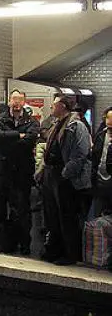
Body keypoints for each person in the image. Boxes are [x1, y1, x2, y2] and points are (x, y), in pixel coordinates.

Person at [40, 96, 92, 266]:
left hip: (64, 177)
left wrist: (65, 173)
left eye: (54, 106)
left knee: (66, 216)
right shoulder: (57, 124)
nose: (51, 109)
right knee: (52, 215)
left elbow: (80, 153)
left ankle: (70, 253)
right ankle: (54, 250)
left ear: (62, 106)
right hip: (51, 174)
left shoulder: (76, 126)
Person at [0, 90, 40, 255]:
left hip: (22, 172)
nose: (16, 102)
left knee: (22, 209)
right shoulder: (0, 119)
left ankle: (24, 243)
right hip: (1, 171)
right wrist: (18, 134)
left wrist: (7, 141)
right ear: (9, 101)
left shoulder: (32, 121)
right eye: (13, 99)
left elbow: (29, 140)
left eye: (19, 99)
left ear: (24, 102)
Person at [90, 107, 112, 218]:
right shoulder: (100, 135)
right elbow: (94, 157)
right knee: (98, 216)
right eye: (108, 118)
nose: (109, 121)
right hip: (99, 182)